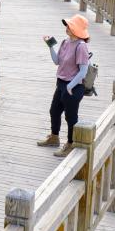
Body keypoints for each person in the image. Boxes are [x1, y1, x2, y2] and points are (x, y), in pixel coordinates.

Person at [37, 14, 91, 156]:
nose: (67, 27)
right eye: (67, 25)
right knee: (54, 111)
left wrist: (70, 86)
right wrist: (50, 46)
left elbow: (83, 71)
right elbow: (57, 61)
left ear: (77, 29)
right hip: (61, 83)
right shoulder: (65, 42)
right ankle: (54, 137)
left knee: (70, 116)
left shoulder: (81, 46)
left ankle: (71, 144)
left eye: (70, 26)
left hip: (74, 86)